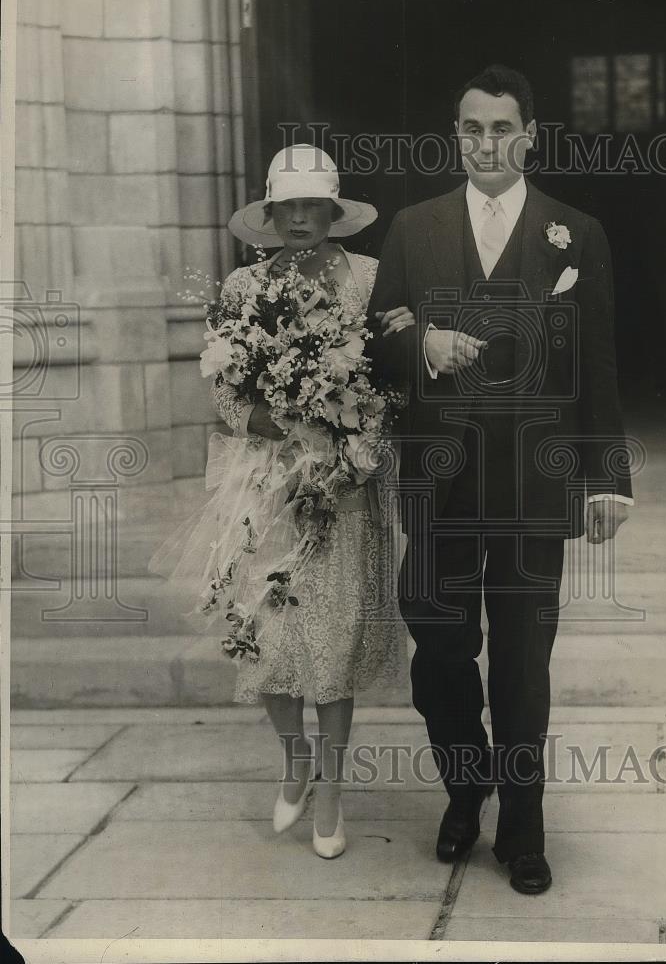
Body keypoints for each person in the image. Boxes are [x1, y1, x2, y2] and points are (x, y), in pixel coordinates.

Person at [365, 65, 633, 894]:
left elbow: (597, 366)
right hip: (437, 482)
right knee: (438, 652)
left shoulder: (574, 233)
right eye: (472, 128)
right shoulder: (414, 227)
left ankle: (522, 826)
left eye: (502, 128)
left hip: (533, 482)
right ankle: (465, 780)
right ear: (456, 136)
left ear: (529, 135)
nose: (488, 143)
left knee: (523, 663)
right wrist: (425, 347)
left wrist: (606, 478)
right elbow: (379, 338)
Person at [154, 145, 413, 859]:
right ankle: (294, 755)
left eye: (313, 206)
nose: (301, 219)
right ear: (271, 214)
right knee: (265, 637)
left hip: (344, 485)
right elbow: (226, 392)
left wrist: (351, 453)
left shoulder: (369, 281)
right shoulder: (244, 286)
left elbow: (389, 387)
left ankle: (330, 787)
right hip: (266, 486)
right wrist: (270, 421)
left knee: (332, 639)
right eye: (287, 206)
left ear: (333, 211)